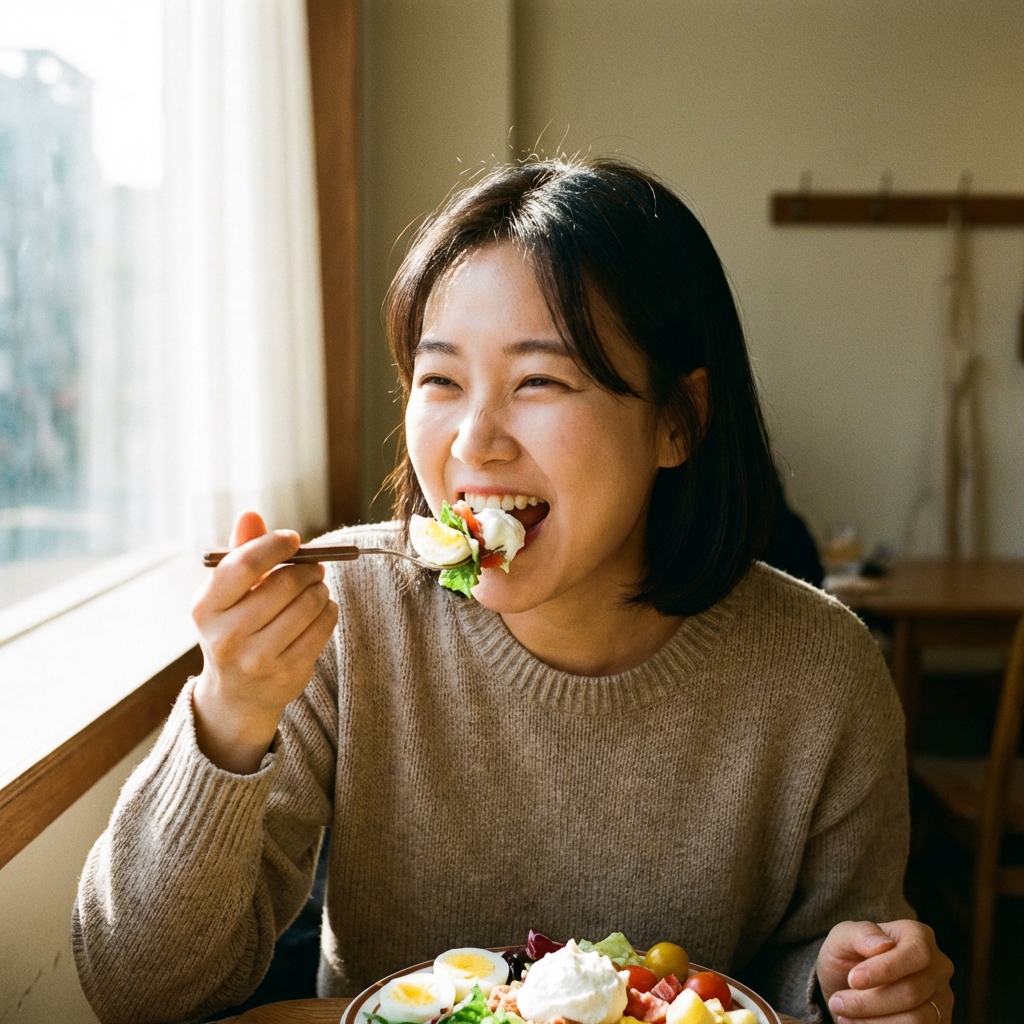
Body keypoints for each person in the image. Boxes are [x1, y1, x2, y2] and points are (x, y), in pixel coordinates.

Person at [73, 159, 953, 1024]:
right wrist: (229, 713)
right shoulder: (351, 623)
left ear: (678, 420)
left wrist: (851, 986)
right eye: (441, 381)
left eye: (539, 380)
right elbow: (139, 991)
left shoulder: (822, 668)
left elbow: (818, 957)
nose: (474, 441)